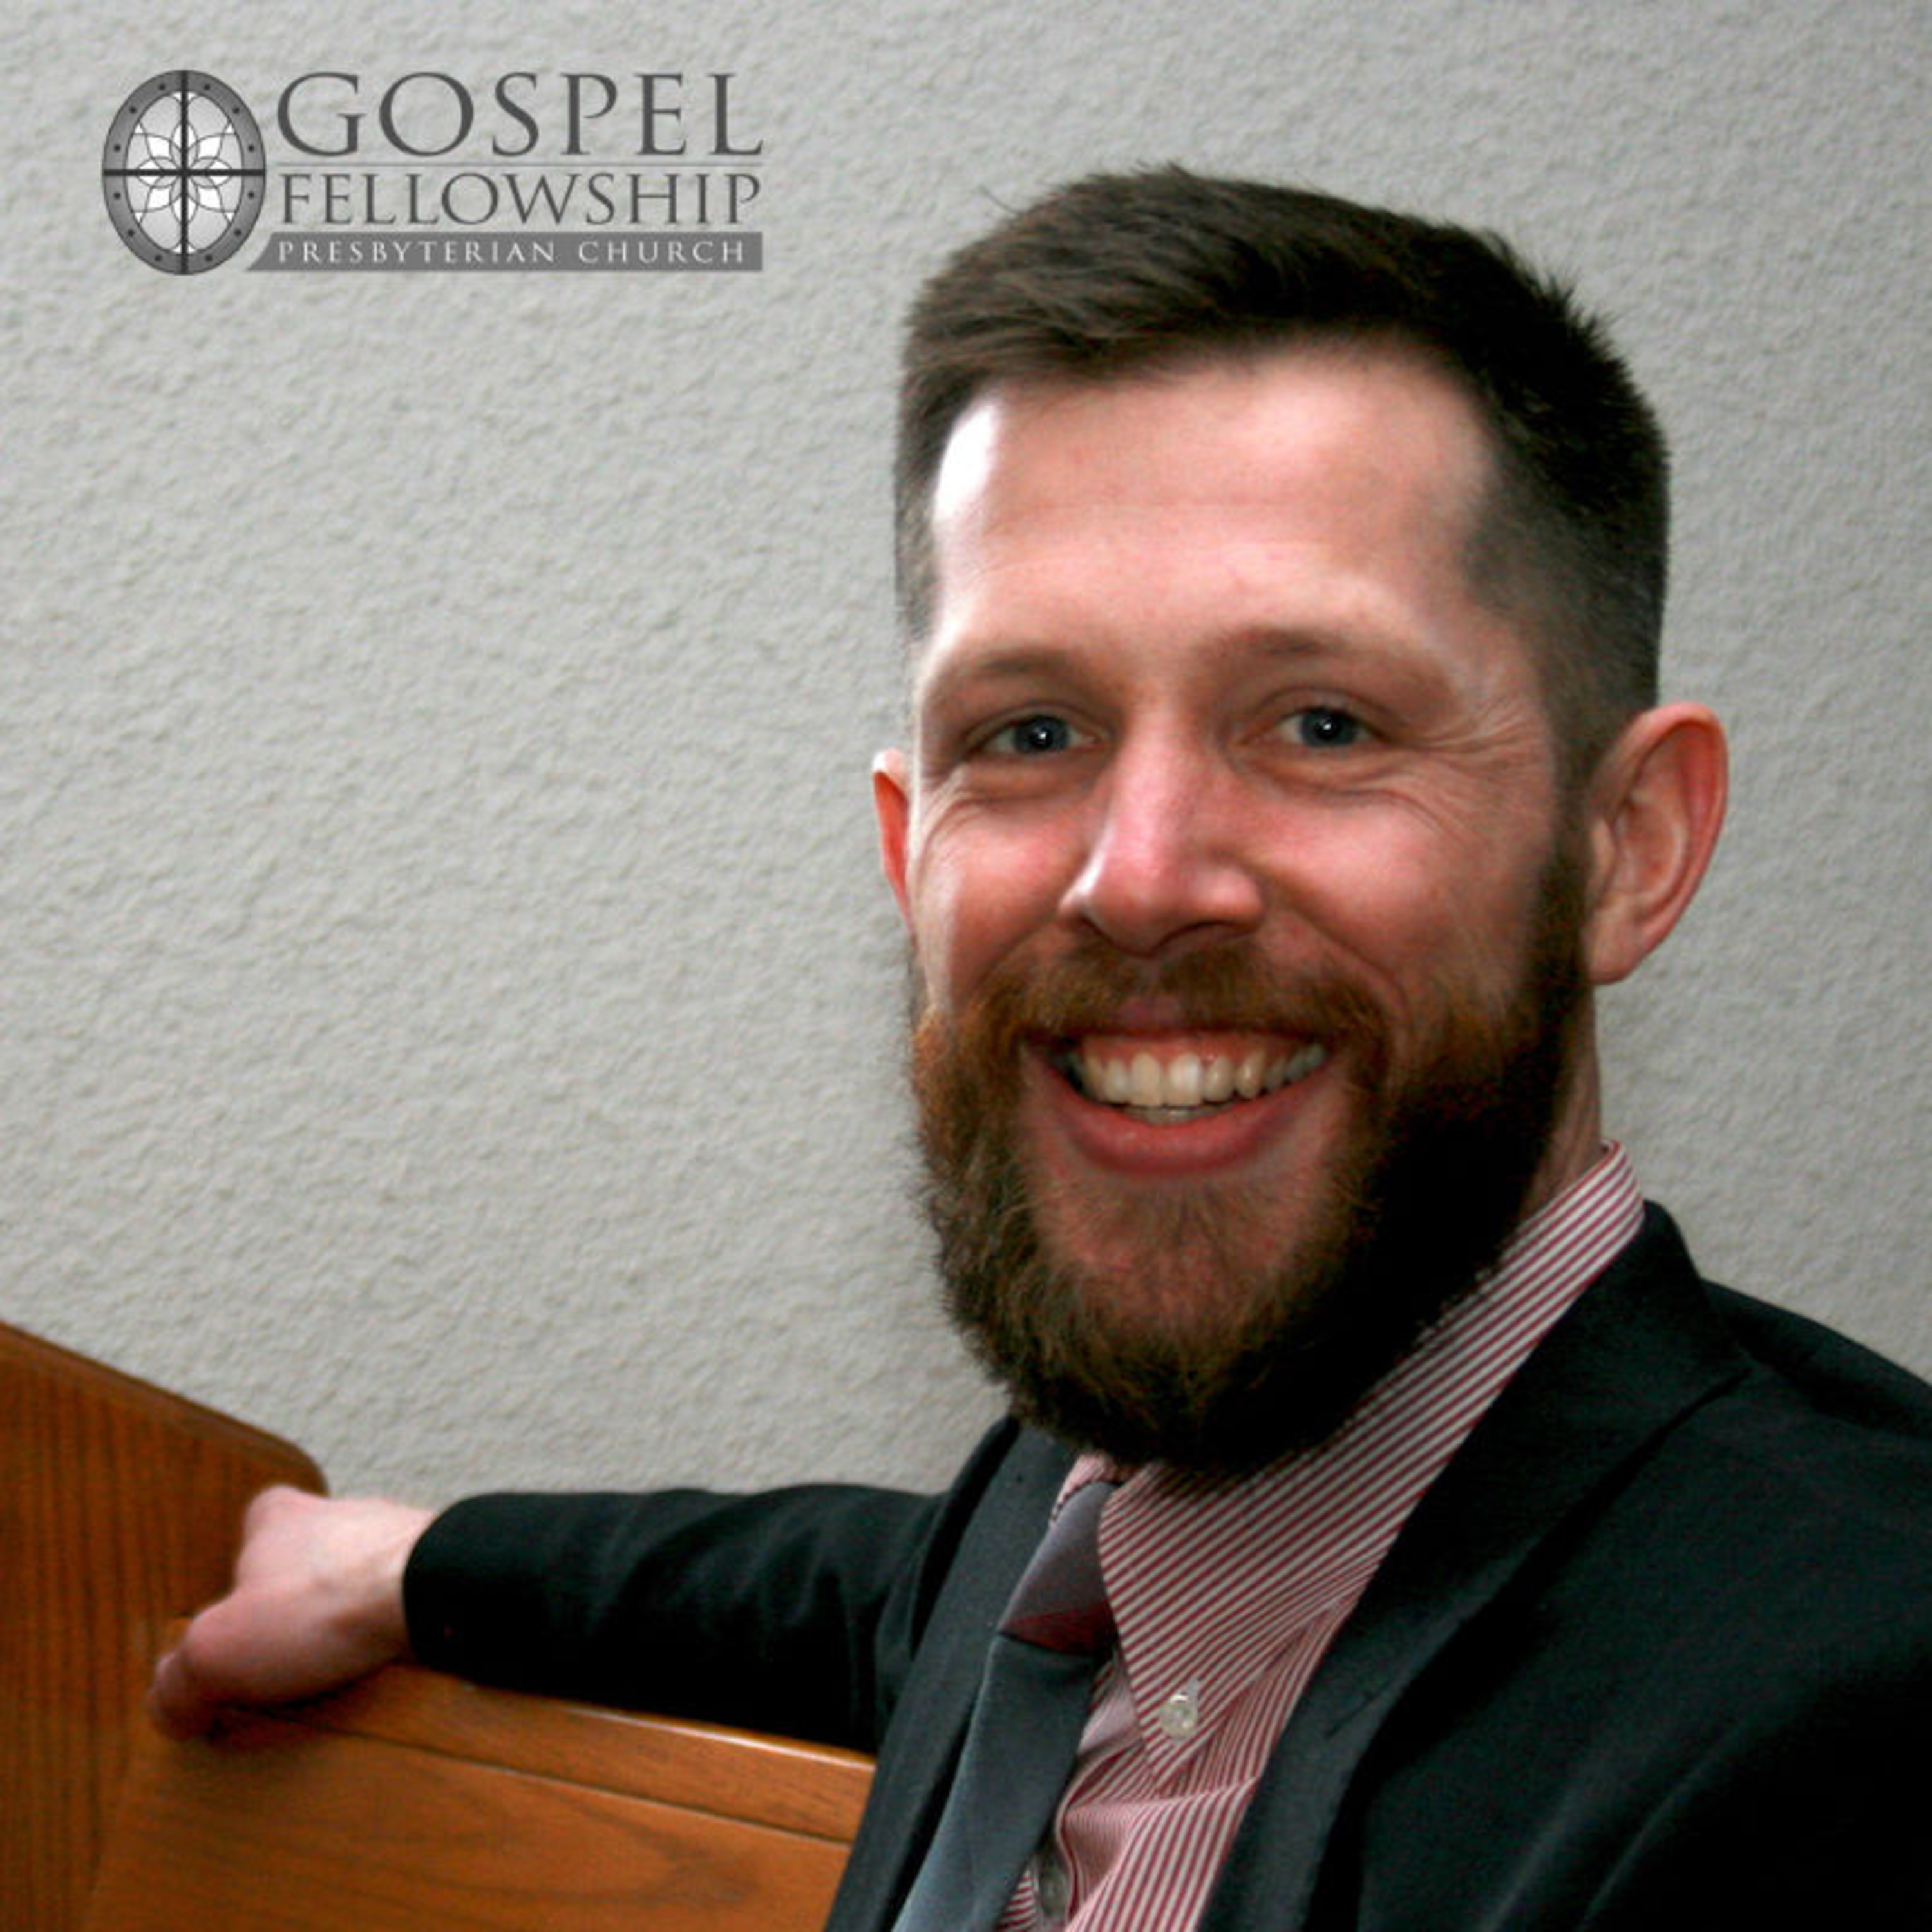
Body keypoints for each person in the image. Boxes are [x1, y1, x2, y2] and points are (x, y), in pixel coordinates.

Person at [151, 170, 1932, 1928]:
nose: (1137, 878)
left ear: (1626, 847)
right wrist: (410, 1564)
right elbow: (852, 1589)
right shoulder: (1083, 1517)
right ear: (904, 850)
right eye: (1031, 732)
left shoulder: (1848, 1727)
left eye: (1322, 723)